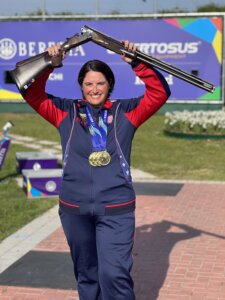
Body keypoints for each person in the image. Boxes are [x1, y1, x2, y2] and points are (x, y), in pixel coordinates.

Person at [24, 39, 171, 300]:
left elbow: (159, 93)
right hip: (74, 209)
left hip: (116, 208)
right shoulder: (64, 111)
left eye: (100, 83)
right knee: (87, 274)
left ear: (110, 85)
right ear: (81, 86)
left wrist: (136, 61)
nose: (94, 89)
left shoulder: (126, 111)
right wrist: (50, 64)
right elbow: (31, 93)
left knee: (114, 275)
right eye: (89, 83)